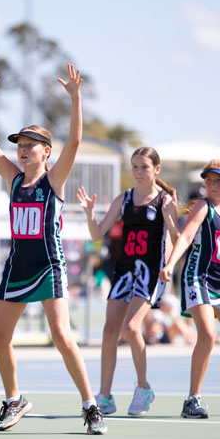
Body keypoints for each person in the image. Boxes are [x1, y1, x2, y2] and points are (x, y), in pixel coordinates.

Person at [0, 62, 107, 435]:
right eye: (20, 146)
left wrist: (76, 99)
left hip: (48, 265)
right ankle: (15, 399)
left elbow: (74, 142)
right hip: (17, 266)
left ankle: (90, 405)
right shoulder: (13, 179)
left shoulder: (54, 180)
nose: (23, 150)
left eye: (30, 146)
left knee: (61, 335)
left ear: (46, 152)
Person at [77, 147, 179, 416]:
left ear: (157, 169)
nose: (138, 172)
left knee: (133, 328)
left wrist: (169, 261)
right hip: (124, 271)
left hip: (150, 272)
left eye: (144, 166)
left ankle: (144, 388)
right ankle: (106, 396)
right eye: (134, 166)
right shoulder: (124, 199)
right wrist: (89, 214)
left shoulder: (164, 201)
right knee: (110, 331)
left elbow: (179, 241)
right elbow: (98, 233)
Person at [160, 159, 220, 419]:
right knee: (206, 334)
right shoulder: (202, 207)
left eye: (218, 180)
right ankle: (192, 399)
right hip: (199, 277)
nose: (212, 185)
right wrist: (171, 263)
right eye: (208, 180)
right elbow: (185, 237)